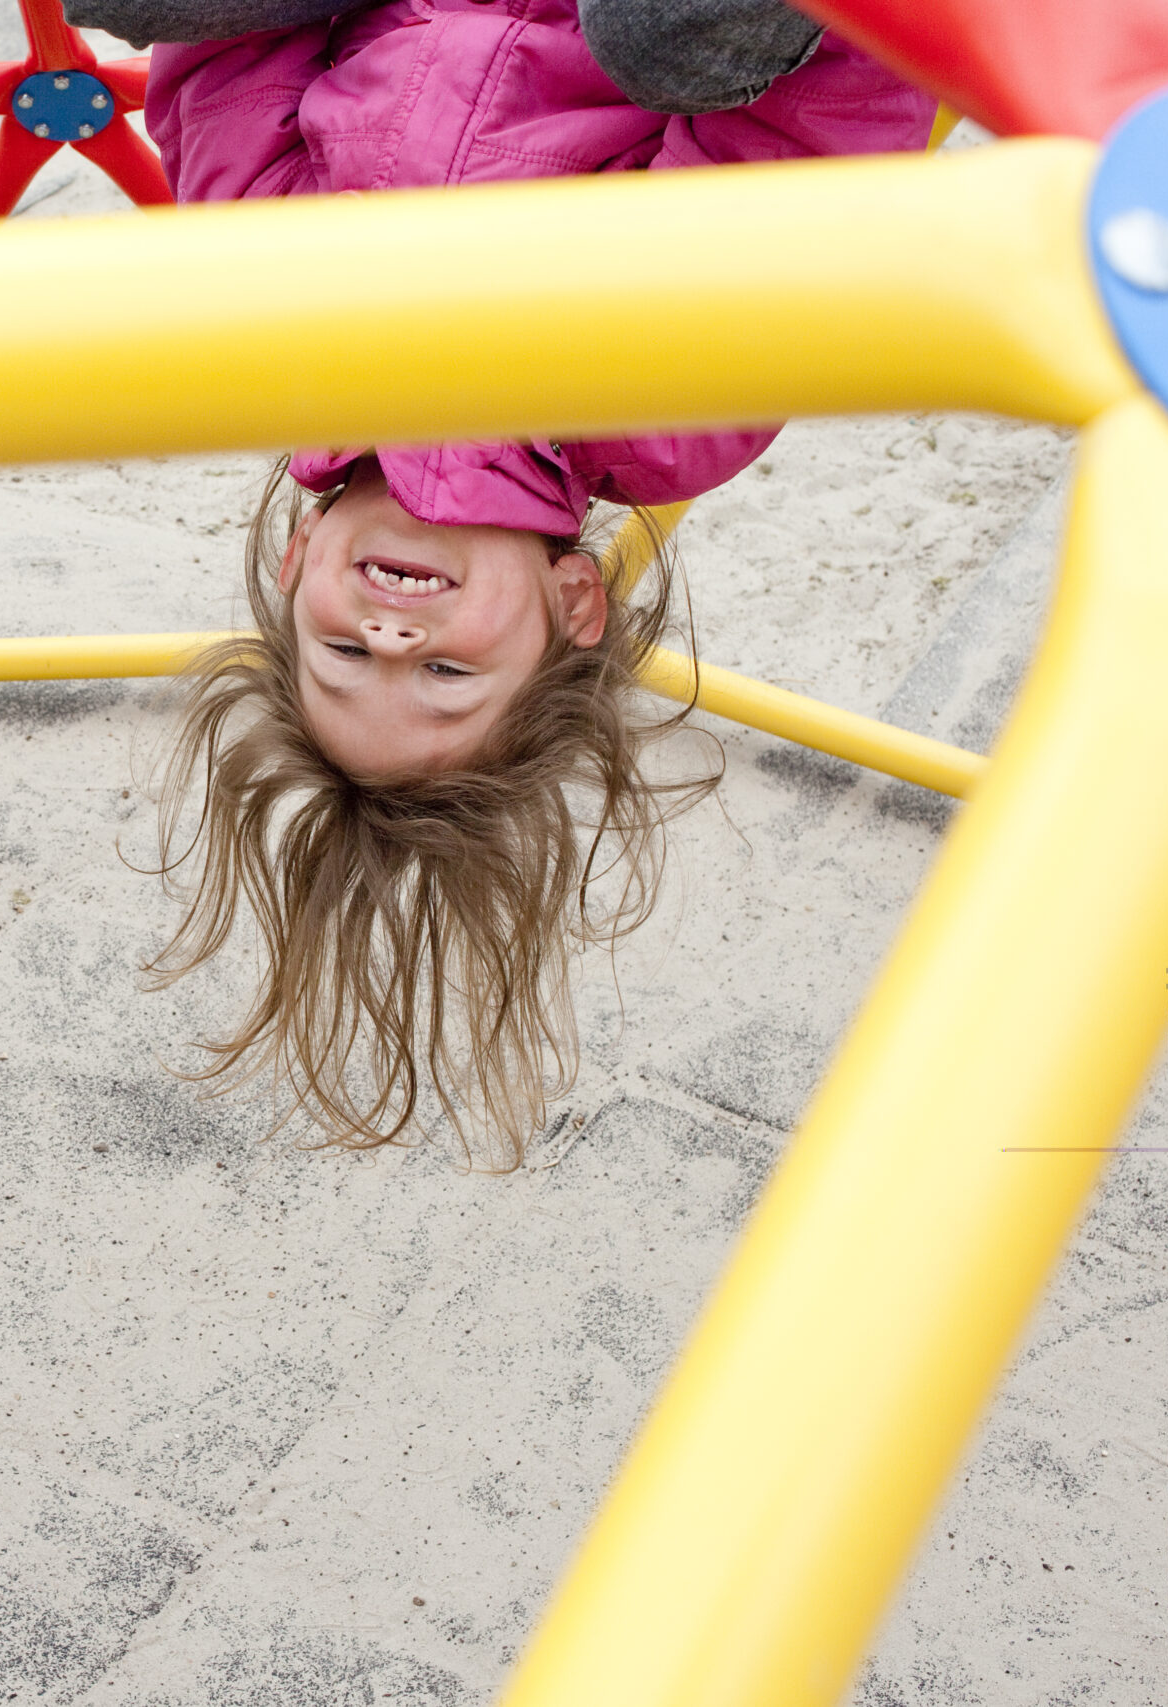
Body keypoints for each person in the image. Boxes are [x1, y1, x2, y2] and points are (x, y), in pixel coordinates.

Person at [101, 0, 936, 1159]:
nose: (391, 639)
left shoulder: (266, 337)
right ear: (570, 606)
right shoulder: (653, 418)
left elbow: (226, 79)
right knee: (674, 39)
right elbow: (793, 164)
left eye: (343, 654)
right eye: (447, 672)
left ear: (299, 568)